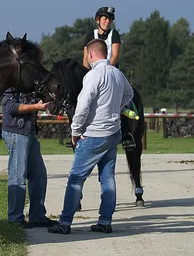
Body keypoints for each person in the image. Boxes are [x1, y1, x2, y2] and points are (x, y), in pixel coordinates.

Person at [47, 39, 133, 234]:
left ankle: (65, 222)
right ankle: (105, 221)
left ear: (91, 55)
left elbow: (83, 105)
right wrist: (118, 107)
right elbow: (129, 95)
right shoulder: (118, 74)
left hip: (94, 134)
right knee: (108, 179)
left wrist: (76, 131)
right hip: (113, 133)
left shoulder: (94, 75)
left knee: (76, 179)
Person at [1, 90, 58, 229]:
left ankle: (37, 216)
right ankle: (15, 218)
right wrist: (36, 107)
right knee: (17, 176)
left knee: (39, 174)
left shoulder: (31, 83)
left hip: (29, 131)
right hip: (15, 131)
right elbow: (11, 107)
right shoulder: (12, 82)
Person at [83, 6, 135, 150]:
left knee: (127, 101)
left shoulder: (114, 34)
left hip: (111, 71)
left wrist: (105, 70)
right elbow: (85, 58)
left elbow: (115, 55)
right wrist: (88, 74)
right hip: (92, 74)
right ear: (98, 20)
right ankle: (74, 130)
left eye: (110, 19)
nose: (107, 22)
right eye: (105, 18)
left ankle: (127, 133)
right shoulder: (90, 34)